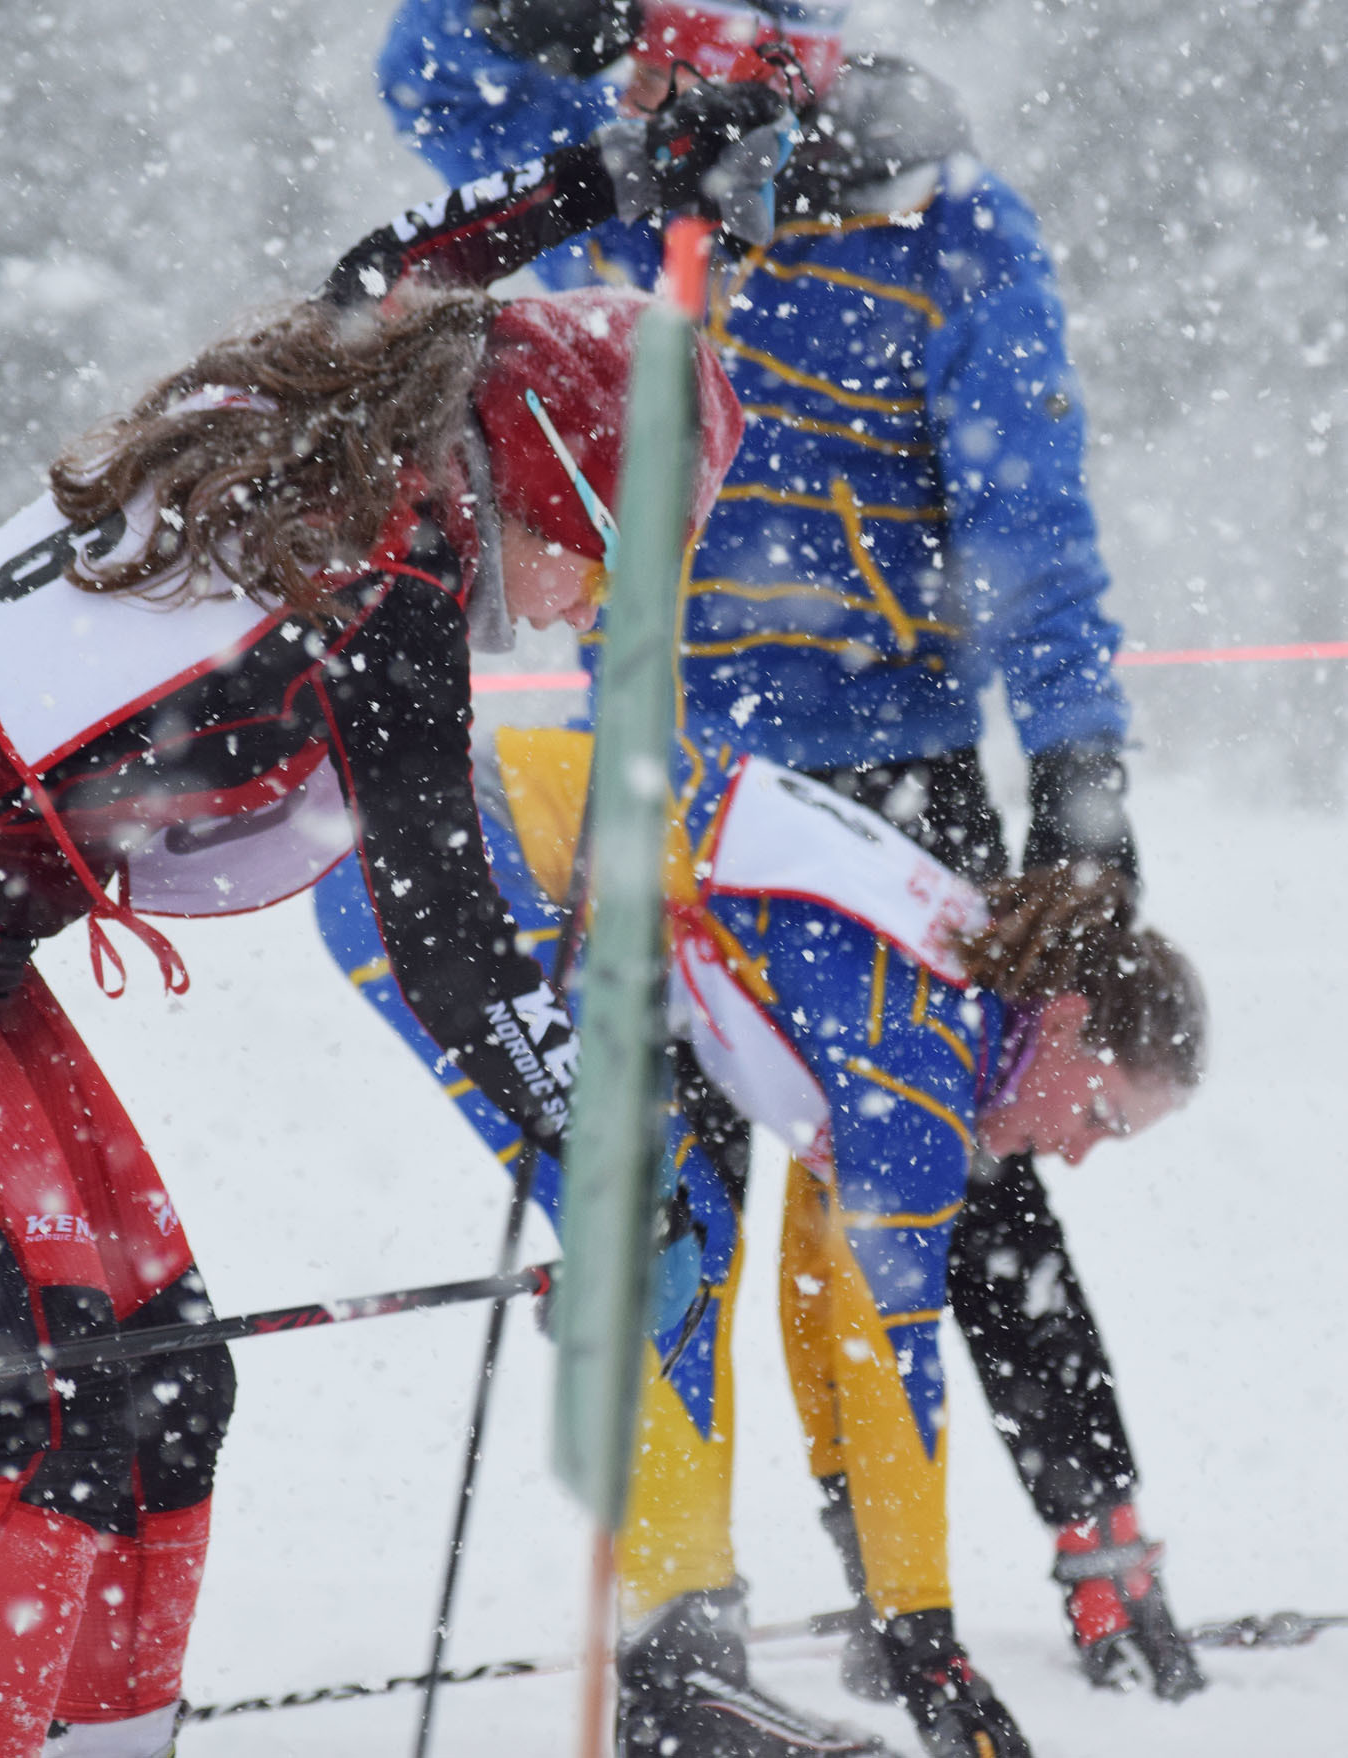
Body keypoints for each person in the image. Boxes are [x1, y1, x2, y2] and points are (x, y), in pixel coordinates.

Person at [0, 93, 780, 1757]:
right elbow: (448, 936)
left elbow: (404, 270)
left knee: (170, 1387)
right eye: (633, 555)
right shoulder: (385, 576)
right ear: (561, 475)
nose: (616, 605)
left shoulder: (328, 412)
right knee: (53, 1416)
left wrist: (600, 178)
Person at [371, 0, 1205, 1713]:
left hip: (886, 769)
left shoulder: (946, 220)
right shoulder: (659, 186)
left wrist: (1079, 787)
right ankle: (691, 1626)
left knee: (952, 1200)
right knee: (676, 1195)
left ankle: (1078, 1543)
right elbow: (434, 81)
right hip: (661, 778)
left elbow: (1031, 525)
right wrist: (575, 21)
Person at [317, 729, 1206, 1758]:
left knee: (685, 1231)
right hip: (433, 865)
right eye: (1100, 1114)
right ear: (1062, 1022)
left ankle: (682, 1659)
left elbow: (823, 1295)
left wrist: (888, 1597)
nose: (1079, 1153)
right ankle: (679, 1675)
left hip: (422, 836)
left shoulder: (947, 994)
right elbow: (889, 1350)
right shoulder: (922, 1054)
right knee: (667, 1238)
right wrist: (927, 1645)